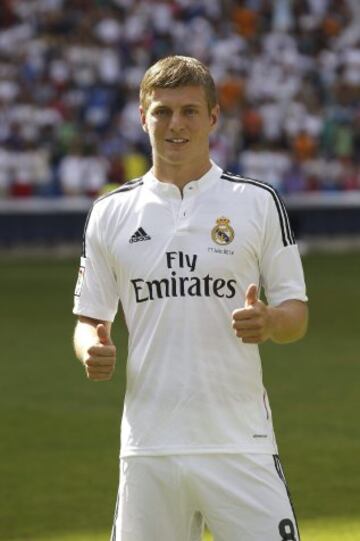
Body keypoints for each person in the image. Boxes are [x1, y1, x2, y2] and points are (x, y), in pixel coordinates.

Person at [73, 55, 308, 541]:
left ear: (214, 117)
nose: (175, 124)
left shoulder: (257, 202)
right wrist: (89, 350)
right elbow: (88, 319)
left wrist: (270, 322)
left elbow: (296, 313)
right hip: (149, 447)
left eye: (189, 111)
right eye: (162, 111)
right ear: (142, 117)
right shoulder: (110, 213)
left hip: (240, 444)